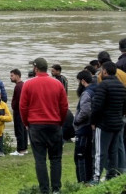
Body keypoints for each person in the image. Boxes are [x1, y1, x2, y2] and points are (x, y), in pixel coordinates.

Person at [20, 58, 68, 194]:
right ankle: (56, 189)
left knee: (40, 159)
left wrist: (26, 123)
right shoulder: (57, 83)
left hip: (35, 125)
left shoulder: (28, 84)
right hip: (54, 124)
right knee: (56, 159)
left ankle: (44, 190)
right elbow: (64, 106)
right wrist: (60, 122)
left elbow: (23, 107)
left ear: (35, 68)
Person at [91, 61, 126, 183]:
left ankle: (96, 178)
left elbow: (97, 106)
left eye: (101, 70)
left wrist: (94, 122)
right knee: (113, 151)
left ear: (105, 71)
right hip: (117, 123)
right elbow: (124, 106)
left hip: (104, 124)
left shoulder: (103, 85)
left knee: (100, 152)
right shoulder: (121, 86)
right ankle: (112, 175)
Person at [73, 70, 95, 184]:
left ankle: (83, 181)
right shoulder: (96, 89)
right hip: (91, 128)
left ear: (82, 81)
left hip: (83, 128)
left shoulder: (86, 93)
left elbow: (85, 111)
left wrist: (76, 120)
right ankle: (90, 179)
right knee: (89, 155)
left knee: (80, 156)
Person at [9, 69, 28, 156]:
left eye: (12, 75)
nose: (10, 77)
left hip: (18, 111)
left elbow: (19, 100)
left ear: (17, 75)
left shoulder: (18, 86)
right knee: (23, 129)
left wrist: (15, 107)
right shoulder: (22, 85)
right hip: (22, 111)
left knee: (19, 130)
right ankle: (24, 148)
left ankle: (20, 150)